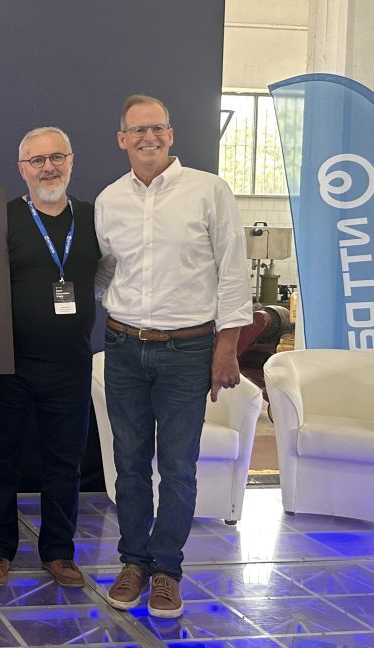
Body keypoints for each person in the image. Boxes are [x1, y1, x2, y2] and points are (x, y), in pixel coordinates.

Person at [95, 95, 251, 618]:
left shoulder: (209, 191)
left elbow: (233, 270)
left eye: (157, 128)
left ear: (171, 134)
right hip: (123, 347)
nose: (148, 137)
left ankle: (167, 570)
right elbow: (106, 270)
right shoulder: (109, 200)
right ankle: (133, 562)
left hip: (188, 349)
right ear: (122, 139)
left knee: (179, 467)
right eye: (137, 130)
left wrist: (227, 346)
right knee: (129, 465)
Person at [0, 127, 106, 589]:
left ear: (71, 161)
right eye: (37, 160)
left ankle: (59, 552)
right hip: (8, 364)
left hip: (71, 363)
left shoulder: (94, 218)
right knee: (1, 460)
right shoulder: (1, 219)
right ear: (22, 169)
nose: (48, 167)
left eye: (57, 157)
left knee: (65, 463)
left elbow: (111, 276)